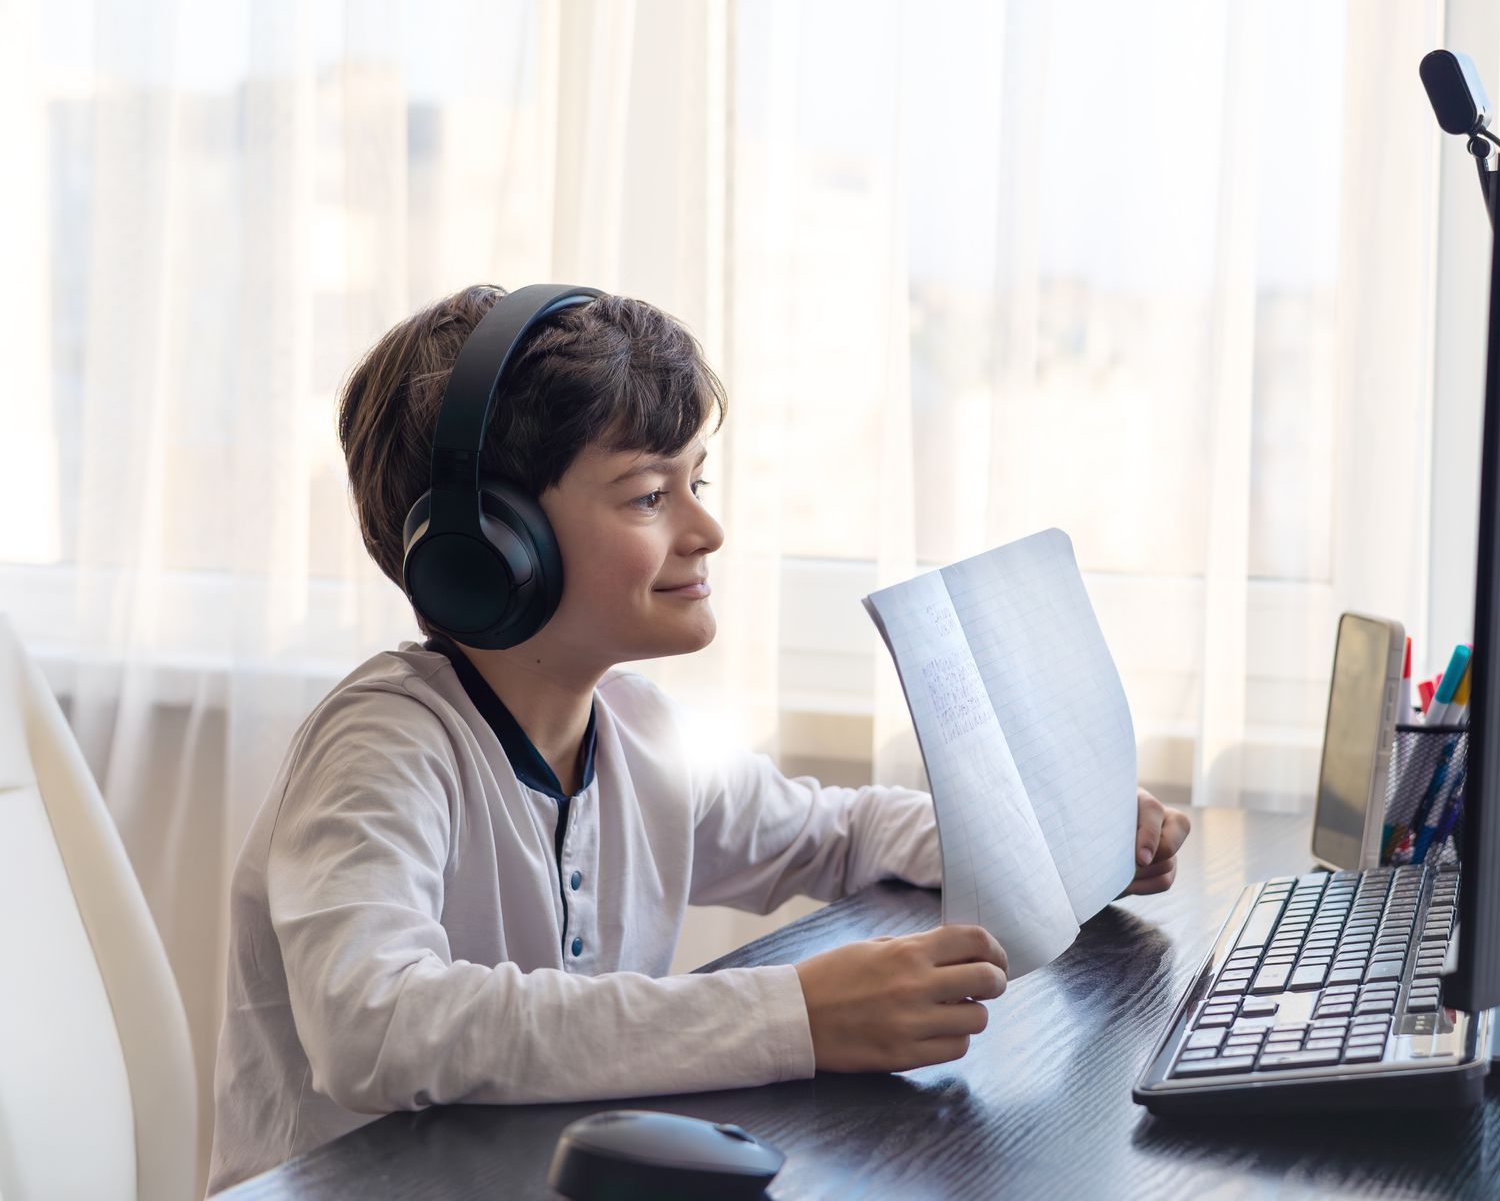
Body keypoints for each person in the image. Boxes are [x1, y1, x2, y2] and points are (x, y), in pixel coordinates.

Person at [207, 286, 1191, 1190]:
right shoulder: (384, 745)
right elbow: (376, 1025)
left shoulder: (635, 729)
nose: (705, 527)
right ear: (491, 551)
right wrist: (792, 1015)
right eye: (648, 494)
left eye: (697, 480)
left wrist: (1056, 831)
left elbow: (835, 832)